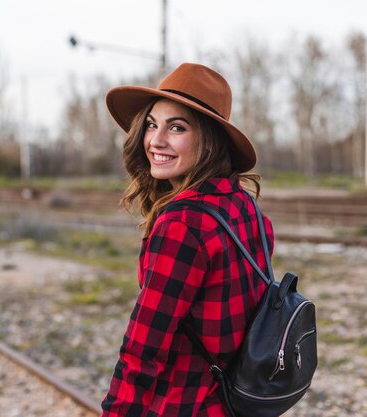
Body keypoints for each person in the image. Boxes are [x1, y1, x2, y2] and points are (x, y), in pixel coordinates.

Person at [101, 63, 274, 417]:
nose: (155, 141)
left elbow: (143, 350)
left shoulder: (182, 224)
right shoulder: (246, 207)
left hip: (188, 406)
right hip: (240, 401)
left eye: (176, 127)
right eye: (152, 124)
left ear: (209, 140)